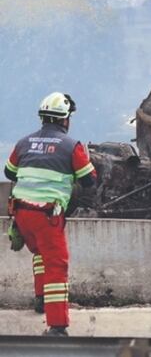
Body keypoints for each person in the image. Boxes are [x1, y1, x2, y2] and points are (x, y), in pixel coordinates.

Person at [5, 92, 96, 336]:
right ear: (65, 119)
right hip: (47, 215)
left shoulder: (23, 143)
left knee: (39, 252)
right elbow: (89, 180)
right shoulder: (71, 146)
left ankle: (41, 299)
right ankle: (57, 326)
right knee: (57, 265)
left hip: (21, 214)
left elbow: (9, 172)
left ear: (43, 118)